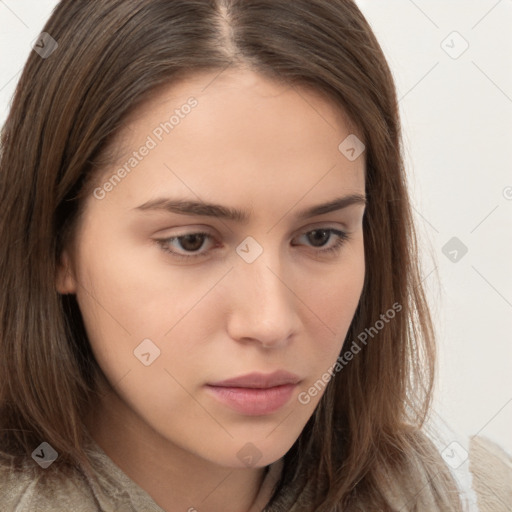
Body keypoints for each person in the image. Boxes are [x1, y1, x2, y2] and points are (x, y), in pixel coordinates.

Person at [0, 1, 510, 511]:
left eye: (319, 237)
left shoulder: (469, 495)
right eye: (191, 241)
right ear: (54, 244)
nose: (270, 322)